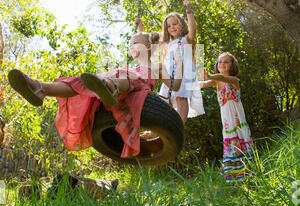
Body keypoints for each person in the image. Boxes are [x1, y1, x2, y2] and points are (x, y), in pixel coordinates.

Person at [7, 31, 183, 160]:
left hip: (137, 90)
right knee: (83, 82)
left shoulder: (156, 66)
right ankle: (40, 88)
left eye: (134, 43)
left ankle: (110, 87)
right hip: (114, 88)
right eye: (129, 44)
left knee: (125, 75)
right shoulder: (128, 66)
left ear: (147, 47)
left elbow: (175, 86)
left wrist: (180, 65)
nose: (131, 47)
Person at [200, 52, 255, 183]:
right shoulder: (215, 81)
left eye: (226, 62)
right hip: (227, 121)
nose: (222, 64)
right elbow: (201, 84)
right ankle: (236, 177)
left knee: (241, 140)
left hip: (237, 119)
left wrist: (211, 75)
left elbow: (223, 78)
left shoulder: (234, 80)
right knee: (231, 143)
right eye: (220, 62)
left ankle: (249, 174)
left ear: (232, 65)